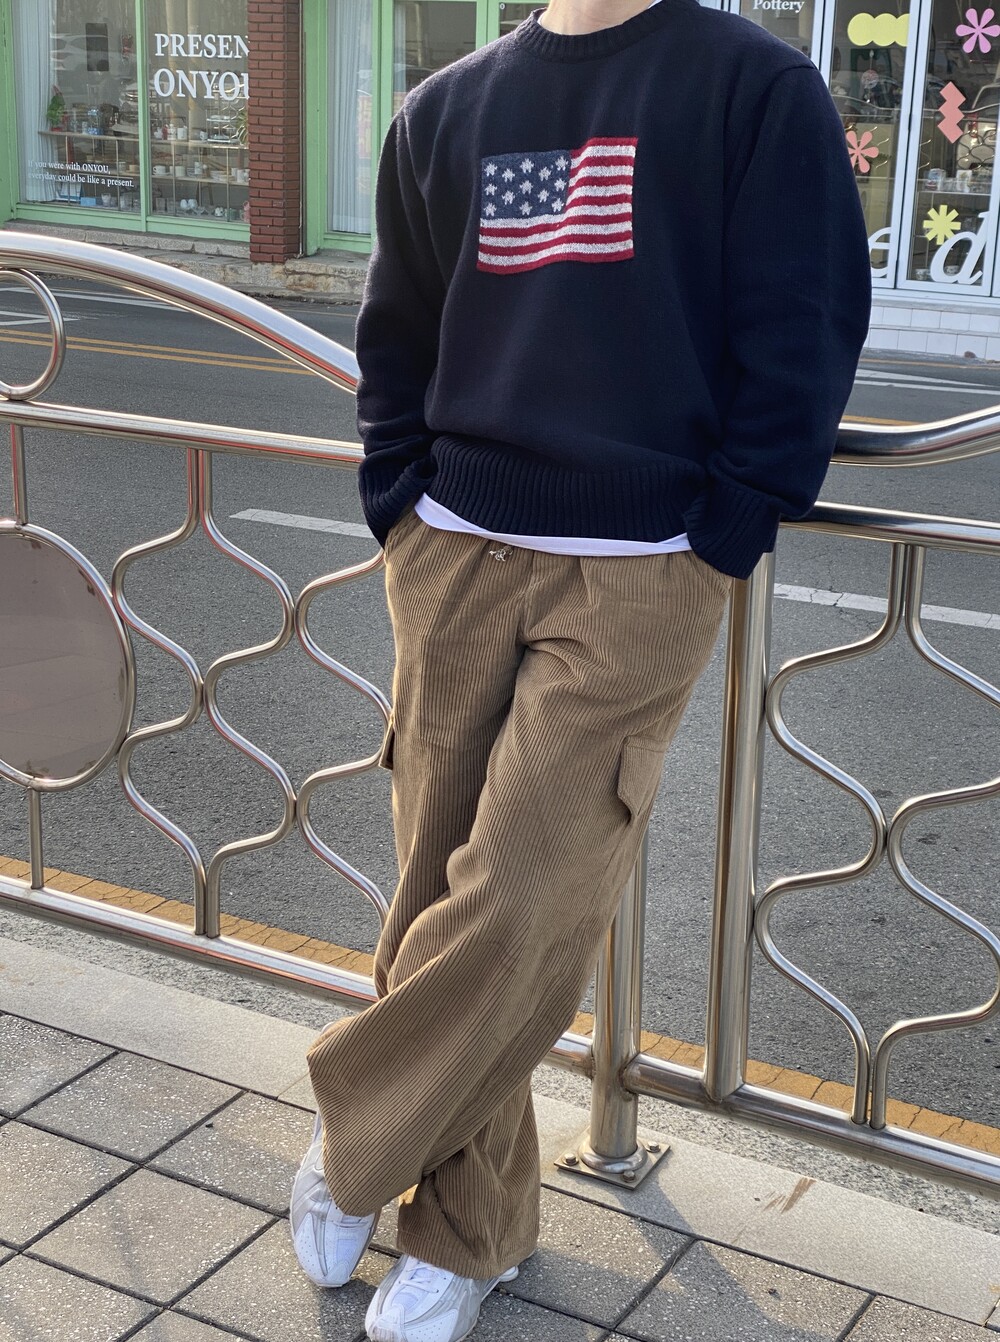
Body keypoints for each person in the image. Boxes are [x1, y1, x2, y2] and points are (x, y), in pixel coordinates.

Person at [291, 0, 871, 1338]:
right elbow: (397, 335)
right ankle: (469, 1231)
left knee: (519, 901)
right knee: (434, 891)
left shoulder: (755, 91)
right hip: (453, 550)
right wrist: (399, 501)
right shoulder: (445, 109)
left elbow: (803, 329)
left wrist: (721, 535)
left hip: (640, 568)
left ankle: (348, 1137)